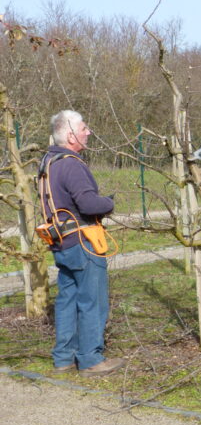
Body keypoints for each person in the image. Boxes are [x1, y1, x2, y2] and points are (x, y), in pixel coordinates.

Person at [40, 110, 124, 377]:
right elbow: (88, 204)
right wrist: (108, 203)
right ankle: (90, 359)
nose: (89, 132)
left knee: (67, 300)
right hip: (83, 242)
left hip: (61, 242)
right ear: (70, 133)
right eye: (84, 128)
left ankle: (63, 358)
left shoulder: (47, 163)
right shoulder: (72, 164)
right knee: (93, 301)